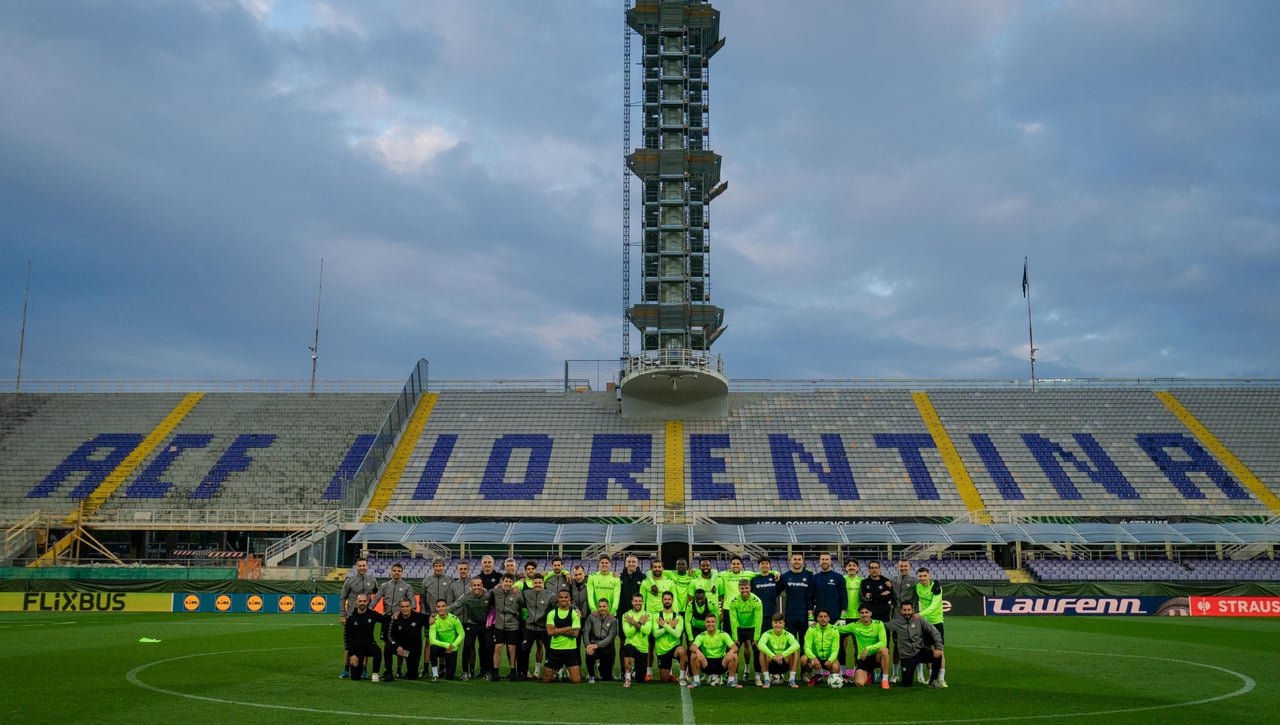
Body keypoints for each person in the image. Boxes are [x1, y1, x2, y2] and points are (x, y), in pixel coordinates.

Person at [886, 601, 944, 689]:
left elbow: (934, 631)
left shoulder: (919, 619)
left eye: (909, 610)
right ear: (901, 611)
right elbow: (882, 626)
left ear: (912, 610)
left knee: (937, 656)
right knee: (907, 683)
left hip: (920, 651)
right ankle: (906, 677)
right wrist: (867, 621)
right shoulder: (896, 623)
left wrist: (938, 647)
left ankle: (933, 681)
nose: (907, 612)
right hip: (907, 657)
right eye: (904, 610)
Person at [338, 558, 378, 678]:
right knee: (348, 644)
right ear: (356, 567)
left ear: (367, 566)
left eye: (364, 565)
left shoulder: (372, 580)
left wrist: (372, 606)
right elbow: (342, 598)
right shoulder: (350, 581)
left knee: (365, 644)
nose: (362, 567)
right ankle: (346, 670)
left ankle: (364, 670)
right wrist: (342, 615)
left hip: (366, 618)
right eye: (359, 565)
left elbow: (378, 593)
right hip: (351, 617)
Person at [448, 577, 490, 681]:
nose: (477, 587)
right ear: (470, 587)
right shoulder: (466, 596)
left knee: (488, 646)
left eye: (478, 585)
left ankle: (486, 671)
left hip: (485, 625)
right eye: (474, 585)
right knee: (467, 645)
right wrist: (439, 613)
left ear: (482, 586)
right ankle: (465, 672)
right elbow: (454, 606)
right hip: (471, 624)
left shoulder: (488, 596)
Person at [839, 605, 891, 689]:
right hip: (863, 659)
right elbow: (838, 629)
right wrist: (822, 624)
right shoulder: (855, 626)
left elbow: (883, 643)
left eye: (866, 612)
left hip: (876, 657)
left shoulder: (879, 624)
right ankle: (869, 674)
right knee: (859, 683)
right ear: (859, 615)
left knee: (884, 650)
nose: (864, 615)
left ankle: (885, 680)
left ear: (870, 613)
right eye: (862, 613)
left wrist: (868, 648)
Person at [641, 559, 675, 681]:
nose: (657, 569)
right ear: (651, 569)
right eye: (654, 567)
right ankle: (648, 672)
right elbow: (642, 601)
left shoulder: (669, 583)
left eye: (659, 567)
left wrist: (672, 618)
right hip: (650, 619)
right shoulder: (646, 583)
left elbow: (672, 601)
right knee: (649, 647)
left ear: (662, 568)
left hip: (664, 619)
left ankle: (670, 672)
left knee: (667, 646)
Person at [688, 613, 741, 689]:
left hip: (721, 663)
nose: (710, 624)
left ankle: (731, 681)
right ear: (705, 623)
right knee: (694, 654)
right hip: (706, 664)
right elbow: (692, 647)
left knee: (734, 654)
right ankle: (696, 681)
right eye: (708, 622)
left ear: (716, 623)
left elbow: (735, 647)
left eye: (712, 622)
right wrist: (698, 652)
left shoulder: (723, 634)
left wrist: (730, 652)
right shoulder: (701, 635)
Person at [726, 578, 763, 685]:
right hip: (739, 628)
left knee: (757, 651)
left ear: (750, 588)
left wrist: (756, 638)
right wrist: (735, 637)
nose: (744, 590)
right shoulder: (734, 602)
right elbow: (733, 620)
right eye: (742, 588)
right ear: (738, 588)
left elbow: (758, 620)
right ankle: (735, 676)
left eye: (746, 588)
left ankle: (757, 677)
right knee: (734, 651)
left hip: (752, 628)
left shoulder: (757, 601)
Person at [915, 566, 947, 687]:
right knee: (926, 650)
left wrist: (920, 614)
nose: (922, 578)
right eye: (920, 576)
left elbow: (934, 606)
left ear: (929, 576)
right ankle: (930, 677)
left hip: (937, 622)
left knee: (940, 650)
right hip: (924, 623)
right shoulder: (917, 587)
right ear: (918, 577)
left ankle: (942, 678)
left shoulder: (936, 588)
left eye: (924, 576)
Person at [521, 573, 557, 679]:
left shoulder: (550, 595)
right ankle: (524, 672)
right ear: (532, 583)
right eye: (535, 582)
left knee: (550, 651)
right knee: (524, 650)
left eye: (539, 583)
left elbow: (561, 603)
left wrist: (574, 608)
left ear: (543, 583)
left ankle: (549, 673)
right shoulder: (526, 593)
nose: (537, 584)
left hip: (544, 628)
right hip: (530, 627)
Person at [382, 598, 428, 681]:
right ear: (399, 608)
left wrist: (432, 616)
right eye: (402, 607)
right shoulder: (395, 618)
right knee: (388, 647)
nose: (405, 609)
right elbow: (389, 636)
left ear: (411, 607)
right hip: (400, 648)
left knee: (412, 676)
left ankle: (410, 671)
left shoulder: (419, 617)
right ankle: (388, 673)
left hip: (412, 651)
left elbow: (430, 618)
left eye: (407, 606)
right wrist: (397, 646)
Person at [543, 589, 583, 683]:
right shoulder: (552, 613)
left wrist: (557, 630)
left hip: (570, 651)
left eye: (566, 597)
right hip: (554, 650)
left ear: (570, 599)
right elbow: (550, 632)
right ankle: (557, 672)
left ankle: (566, 671)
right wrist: (567, 628)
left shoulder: (574, 614)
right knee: (546, 680)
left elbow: (575, 634)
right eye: (561, 597)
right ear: (557, 599)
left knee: (576, 681)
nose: (563, 599)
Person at [490, 574, 523, 680]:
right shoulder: (495, 592)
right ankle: (495, 672)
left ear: (512, 583)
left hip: (513, 626)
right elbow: (487, 594)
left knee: (511, 649)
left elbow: (523, 605)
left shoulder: (517, 594)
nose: (508, 583)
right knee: (498, 648)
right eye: (506, 581)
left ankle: (513, 671)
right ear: (502, 582)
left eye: (510, 581)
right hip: (499, 626)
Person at [755, 613, 801, 689]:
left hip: (784, 662)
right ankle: (767, 679)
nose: (778, 625)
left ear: (783, 624)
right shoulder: (767, 634)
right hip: (771, 662)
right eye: (775, 623)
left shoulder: (788, 635)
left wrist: (782, 655)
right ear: (772, 624)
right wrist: (773, 656)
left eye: (780, 623)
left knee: (795, 651)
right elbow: (760, 644)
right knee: (762, 651)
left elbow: (797, 645)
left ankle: (792, 679)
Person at [343, 594, 382, 681]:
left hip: (369, 645)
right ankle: (358, 669)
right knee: (355, 677)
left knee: (378, 652)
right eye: (360, 601)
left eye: (364, 601)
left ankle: (375, 673)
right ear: (357, 602)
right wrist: (351, 654)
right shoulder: (351, 618)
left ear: (367, 602)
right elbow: (347, 638)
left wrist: (395, 615)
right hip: (356, 649)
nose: (362, 603)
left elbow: (385, 619)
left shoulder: (372, 614)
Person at [777, 553, 815, 642]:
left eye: (799, 559)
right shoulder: (785, 576)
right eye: (794, 559)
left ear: (803, 561)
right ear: (790, 561)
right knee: (791, 643)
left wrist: (811, 616)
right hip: (790, 615)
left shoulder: (809, 576)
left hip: (805, 616)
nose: (797, 561)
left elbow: (812, 595)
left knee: (805, 643)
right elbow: (774, 592)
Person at [653, 591, 688, 683]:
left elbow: (677, 634)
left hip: (674, 647)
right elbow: (655, 634)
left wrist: (664, 625)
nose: (667, 601)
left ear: (672, 601)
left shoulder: (678, 617)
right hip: (661, 650)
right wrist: (669, 626)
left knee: (682, 651)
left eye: (669, 599)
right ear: (662, 601)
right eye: (665, 599)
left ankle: (682, 676)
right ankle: (671, 676)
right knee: (665, 680)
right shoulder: (656, 616)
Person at [801, 609, 841, 686]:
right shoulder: (811, 629)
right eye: (821, 616)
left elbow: (835, 650)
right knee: (803, 659)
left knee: (836, 667)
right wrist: (814, 658)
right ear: (817, 618)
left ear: (829, 618)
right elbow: (806, 647)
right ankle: (813, 676)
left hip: (828, 657)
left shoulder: (834, 630)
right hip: (815, 658)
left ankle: (831, 679)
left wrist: (830, 660)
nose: (823, 619)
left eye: (825, 617)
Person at [620, 593, 652, 688]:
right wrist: (640, 623)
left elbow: (647, 631)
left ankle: (634, 672)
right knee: (628, 649)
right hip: (631, 643)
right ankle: (628, 678)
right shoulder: (626, 615)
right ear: (632, 602)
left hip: (642, 648)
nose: (638, 603)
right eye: (635, 601)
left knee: (640, 679)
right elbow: (627, 633)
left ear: (642, 602)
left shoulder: (647, 615)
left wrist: (633, 622)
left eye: (640, 601)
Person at [584, 597, 619, 683]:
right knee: (589, 652)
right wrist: (588, 645)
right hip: (593, 644)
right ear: (597, 607)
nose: (602, 608)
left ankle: (601, 668)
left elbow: (610, 638)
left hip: (606, 647)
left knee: (606, 678)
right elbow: (585, 632)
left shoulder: (613, 620)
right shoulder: (591, 617)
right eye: (600, 606)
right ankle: (591, 675)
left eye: (604, 606)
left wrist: (597, 645)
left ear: (608, 607)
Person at [428, 598, 464, 681]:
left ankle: (445, 669)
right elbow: (432, 640)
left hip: (452, 649)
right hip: (442, 647)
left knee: (449, 677)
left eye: (443, 606)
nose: (441, 608)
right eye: (439, 607)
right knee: (433, 648)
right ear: (436, 608)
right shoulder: (434, 620)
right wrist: (447, 645)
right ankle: (435, 674)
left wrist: (453, 646)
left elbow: (462, 634)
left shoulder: (454, 619)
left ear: (447, 607)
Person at [812, 553, 846, 633]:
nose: (824, 561)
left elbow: (844, 597)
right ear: (819, 561)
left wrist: (843, 616)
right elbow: (810, 597)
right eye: (823, 559)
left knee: (837, 642)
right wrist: (811, 616)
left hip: (835, 615)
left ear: (830, 562)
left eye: (827, 559)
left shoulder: (838, 577)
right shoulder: (814, 578)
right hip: (819, 616)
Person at [840, 559, 863, 667]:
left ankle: (856, 669)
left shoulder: (862, 581)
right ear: (846, 568)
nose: (852, 567)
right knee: (842, 645)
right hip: (844, 617)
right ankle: (842, 671)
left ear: (857, 568)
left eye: (854, 565)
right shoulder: (841, 580)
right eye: (849, 565)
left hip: (858, 618)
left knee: (857, 645)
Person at [750, 557, 781, 625]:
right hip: (758, 612)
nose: (764, 565)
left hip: (772, 612)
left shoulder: (775, 578)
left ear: (770, 565)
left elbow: (777, 592)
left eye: (766, 563)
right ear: (759, 565)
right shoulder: (754, 580)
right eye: (762, 563)